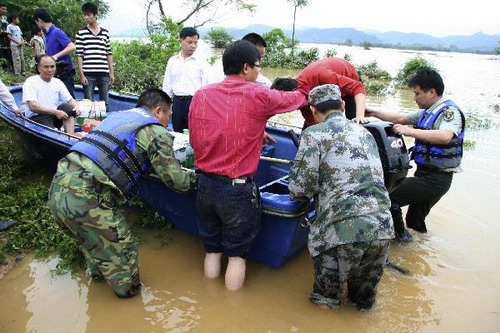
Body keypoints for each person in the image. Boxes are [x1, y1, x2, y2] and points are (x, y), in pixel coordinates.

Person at [48, 88, 198, 298]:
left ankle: (97, 296)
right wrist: (203, 180)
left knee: (95, 248)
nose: (168, 122)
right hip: (87, 197)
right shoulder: (154, 131)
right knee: (123, 258)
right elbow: (177, 181)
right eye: (168, 116)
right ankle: (129, 306)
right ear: (158, 111)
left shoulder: (119, 117)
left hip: (58, 190)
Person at [189, 40, 309, 291]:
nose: (258, 72)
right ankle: (232, 312)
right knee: (236, 257)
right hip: (237, 191)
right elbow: (297, 98)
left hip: (205, 186)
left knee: (212, 250)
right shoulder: (259, 94)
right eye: (257, 67)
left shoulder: (201, 94)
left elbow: (201, 134)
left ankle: (207, 304)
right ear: (245, 68)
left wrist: (255, 131)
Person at [288, 84, 394, 310]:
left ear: (314, 111)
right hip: (383, 227)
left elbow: (299, 189)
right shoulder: (365, 133)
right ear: (344, 106)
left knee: (325, 303)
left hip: (342, 230)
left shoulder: (314, 133)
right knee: (362, 304)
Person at [365, 69, 465, 243]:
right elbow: (400, 118)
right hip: (427, 175)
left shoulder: (449, 112)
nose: (415, 98)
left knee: (388, 196)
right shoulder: (426, 112)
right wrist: (372, 112)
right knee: (414, 221)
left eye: (417, 93)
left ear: (432, 92)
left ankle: (402, 242)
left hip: (435, 180)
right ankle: (419, 249)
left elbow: (445, 136)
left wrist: (409, 132)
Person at [272, 57, 367, 125]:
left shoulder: (322, 75)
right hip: (320, 91)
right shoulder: (300, 99)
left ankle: (364, 112)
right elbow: (312, 123)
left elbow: (357, 87)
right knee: (310, 131)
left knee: (353, 122)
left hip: (348, 81)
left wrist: (360, 115)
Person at [162, 27, 208, 132]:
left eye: (196, 43)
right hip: (177, 103)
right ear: (180, 41)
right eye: (189, 42)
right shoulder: (173, 61)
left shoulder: (201, 62)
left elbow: (206, 86)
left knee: (195, 133)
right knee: (178, 133)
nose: (193, 46)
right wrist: (166, 105)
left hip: (194, 103)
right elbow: (167, 85)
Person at [22, 55, 80, 134]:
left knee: (66, 106)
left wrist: (76, 107)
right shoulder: (31, 82)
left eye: (52, 67)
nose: (50, 70)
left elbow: (70, 99)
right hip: (38, 117)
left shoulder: (57, 82)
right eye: (46, 67)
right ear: (39, 68)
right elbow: (33, 106)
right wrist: (55, 112)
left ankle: (70, 136)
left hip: (55, 115)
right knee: (52, 133)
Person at [75, 2, 114, 110]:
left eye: (88, 15)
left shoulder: (105, 33)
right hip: (88, 73)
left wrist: (111, 73)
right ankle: (90, 125)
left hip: (103, 72)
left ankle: (104, 125)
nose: (86, 17)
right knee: (88, 103)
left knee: (105, 102)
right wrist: (81, 75)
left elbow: (108, 53)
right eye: (85, 15)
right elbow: (79, 55)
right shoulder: (81, 33)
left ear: (95, 14)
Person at [34, 8, 76, 97]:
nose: (37, 25)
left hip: (64, 74)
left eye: (36, 22)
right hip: (53, 73)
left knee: (69, 101)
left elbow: (72, 47)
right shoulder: (46, 34)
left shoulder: (57, 32)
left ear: (39, 20)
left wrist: (55, 57)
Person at [0, 3, 13, 72]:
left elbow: (8, 26)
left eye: (5, 9)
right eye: (3, 9)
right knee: (1, 54)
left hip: (6, 38)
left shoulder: (5, 18)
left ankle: (11, 68)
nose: (5, 11)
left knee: (8, 52)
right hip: (1, 38)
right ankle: (4, 69)